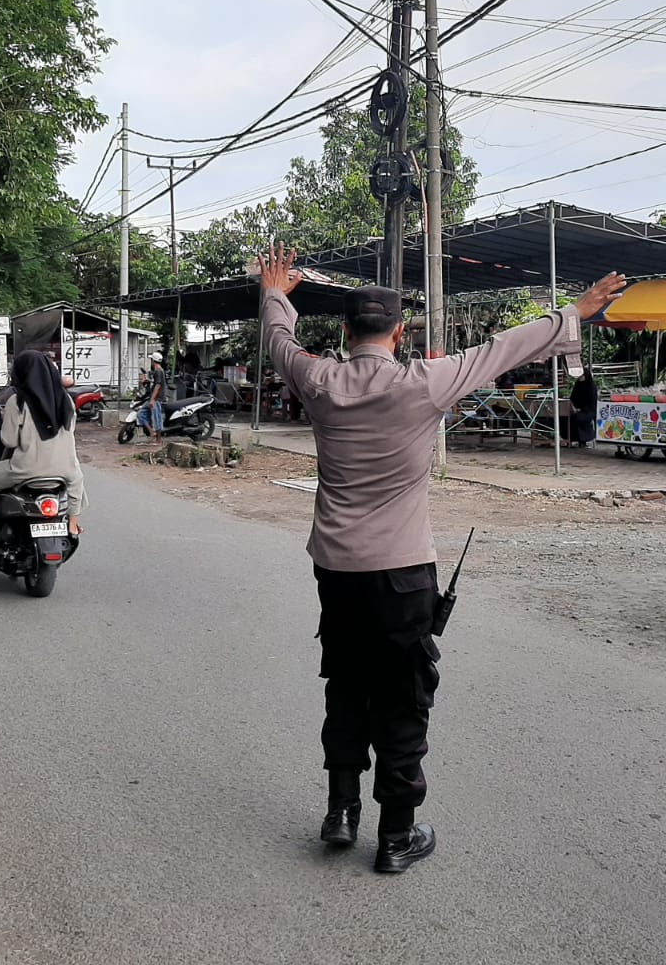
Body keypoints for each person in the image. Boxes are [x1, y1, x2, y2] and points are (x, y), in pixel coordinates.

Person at [258, 243, 627, 874]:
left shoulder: (317, 381)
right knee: (403, 696)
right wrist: (575, 313)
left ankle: (341, 811)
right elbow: (505, 348)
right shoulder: (425, 384)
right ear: (401, 333)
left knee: (346, 682)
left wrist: (275, 293)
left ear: (346, 333)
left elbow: (278, 341)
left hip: (337, 571)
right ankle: (396, 837)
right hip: (402, 574)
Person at [0, 351, 85, 543]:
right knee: (77, 482)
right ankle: (72, 524)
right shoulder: (67, 400)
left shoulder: (18, 401)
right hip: (67, 471)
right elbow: (70, 431)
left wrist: (8, 419)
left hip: (26, 470)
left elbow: (9, 441)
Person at [138, 352, 166, 444]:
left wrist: (153, 399)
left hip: (157, 399)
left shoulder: (158, 371)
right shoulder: (157, 371)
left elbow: (158, 386)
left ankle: (159, 440)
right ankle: (151, 432)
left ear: (153, 361)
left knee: (157, 418)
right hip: (152, 397)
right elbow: (154, 383)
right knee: (141, 414)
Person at [569, 367, 599, 447]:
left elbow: (592, 403)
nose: (580, 378)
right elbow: (572, 398)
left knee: (579, 418)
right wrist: (573, 407)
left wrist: (580, 409)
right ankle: (571, 439)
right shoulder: (578, 384)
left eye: (581, 376)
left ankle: (584, 440)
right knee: (566, 418)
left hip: (589, 410)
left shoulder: (591, 387)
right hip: (576, 409)